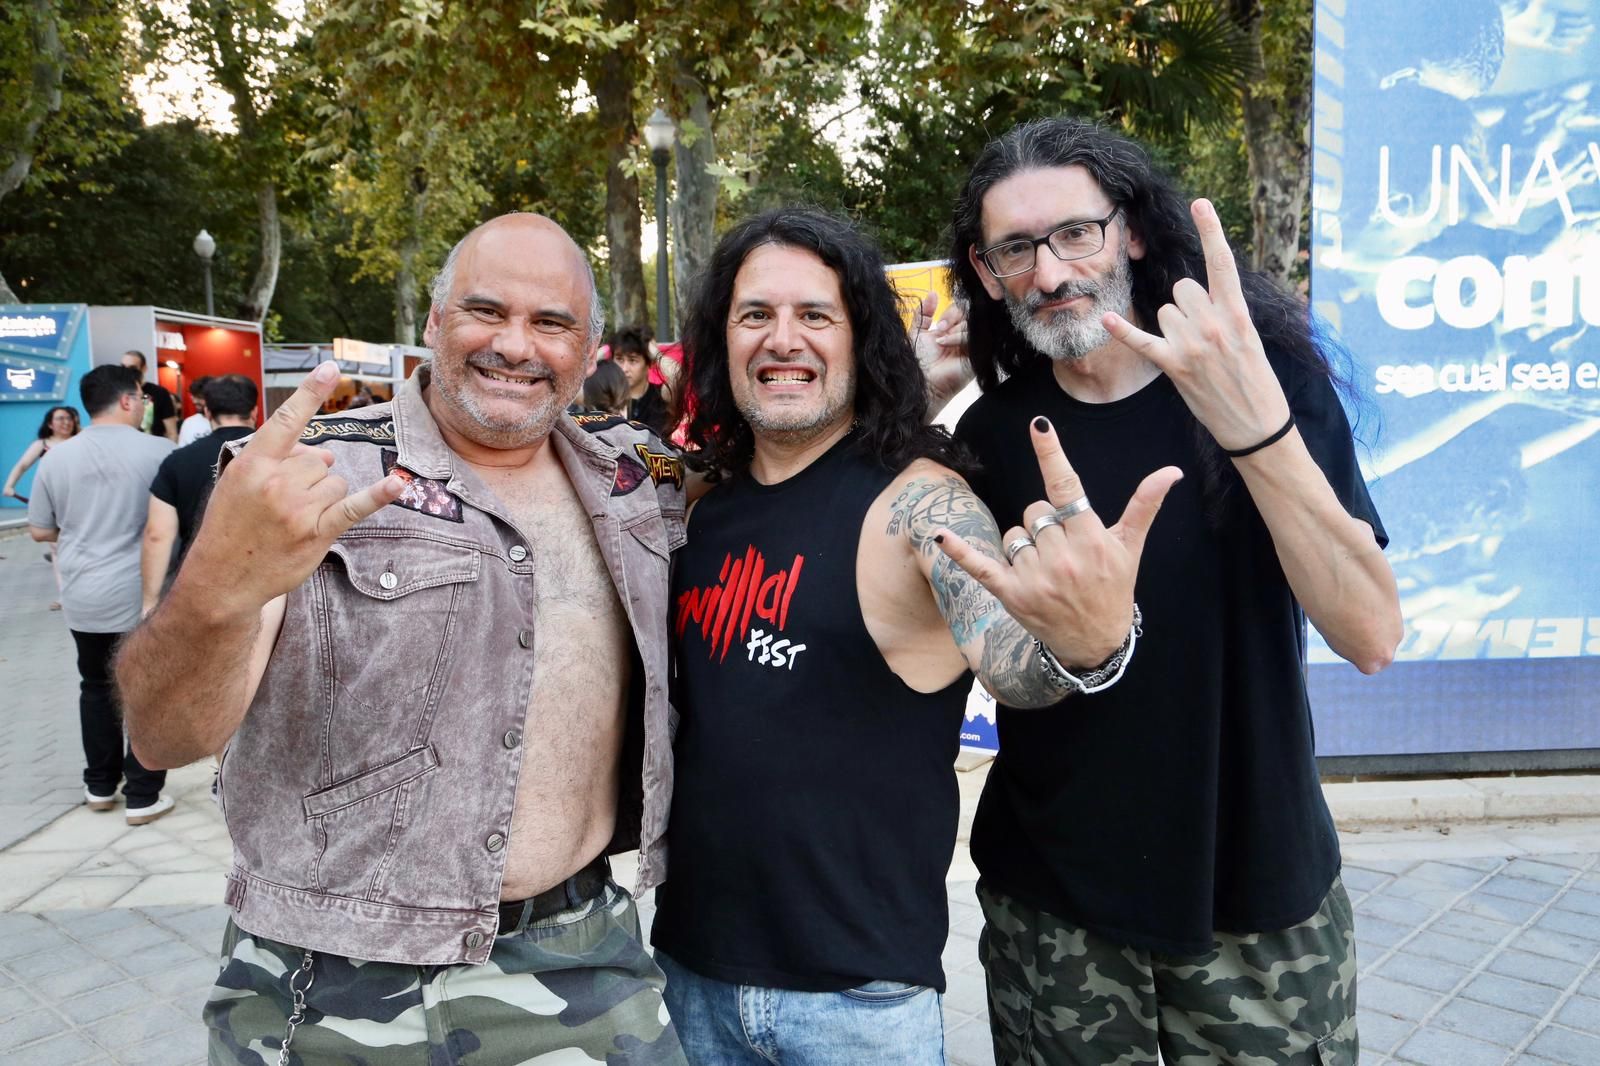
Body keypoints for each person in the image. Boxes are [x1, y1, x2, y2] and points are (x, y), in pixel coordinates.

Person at [115, 213, 687, 1065]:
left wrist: (925, 392)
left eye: (551, 323)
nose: (515, 346)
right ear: (432, 322)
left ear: (591, 345)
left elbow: (795, 460)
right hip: (331, 977)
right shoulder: (312, 472)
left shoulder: (639, 477)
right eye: (484, 311)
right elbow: (162, 736)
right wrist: (217, 587)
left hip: (582, 964)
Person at [649, 207, 1179, 1066]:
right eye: (757, 315)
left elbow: (1016, 663)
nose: (784, 340)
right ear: (722, 339)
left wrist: (1088, 642)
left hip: (856, 1008)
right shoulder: (701, 505)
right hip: (682, 979)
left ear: (861, 340)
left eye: (816, 316)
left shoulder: (920, 502)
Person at [947, 116, 1402, 1064]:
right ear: (987, 274)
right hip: (1056, 909)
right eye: (1015, 250)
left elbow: (1369, 634)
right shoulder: (991, 434)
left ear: (1134, 232)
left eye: (1078, 232)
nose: (1052, 272)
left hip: (1260, 899)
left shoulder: (1260, 385)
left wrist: (1254, 432)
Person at [27, 366, 175, 824]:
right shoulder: (161, 452)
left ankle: (99, 786)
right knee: (149, 692)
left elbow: (38, 530)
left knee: (94, 688)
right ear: (129, 400)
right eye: (142, 398)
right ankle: (144, 793)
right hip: (146, 597)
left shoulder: (56, 458)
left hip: (83, 594)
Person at [141, 374, 260, 615]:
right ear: (255, 411)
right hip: (268, 582)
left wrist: (150, 602)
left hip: (197, 581)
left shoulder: (178, 461)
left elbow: (157, 536)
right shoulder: (282, 454)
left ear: (207, 412)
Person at [4, 405, 79, 502]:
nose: (66, 422)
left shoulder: (82, 440)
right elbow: (22, 466)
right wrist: (9, 486)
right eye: (61, 419)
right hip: (50, 494)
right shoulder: (41, 444)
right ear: (50, 424)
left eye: (69, 418)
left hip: (78, 494)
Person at [611, 325, 673, 437]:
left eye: (632, 360)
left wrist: (654, 352)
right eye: (619, 359)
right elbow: (572, 390)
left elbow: (678, 377)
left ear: (649, 363)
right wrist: (606, 349)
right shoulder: (603, 395)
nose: (624, 369)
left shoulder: (661, 395)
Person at [121, 350, 178, 440]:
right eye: (123, 367)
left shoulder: (160, 393)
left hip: (155, 448)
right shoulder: (118, 393)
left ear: (144, 368)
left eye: (132, 368)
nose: (127, 371)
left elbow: (172, 433)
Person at [178, 376, 214, 446]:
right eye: (193, 396)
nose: (194, 401)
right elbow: (182, 451)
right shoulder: (189, 422)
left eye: (199, 397)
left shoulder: (227, 421)